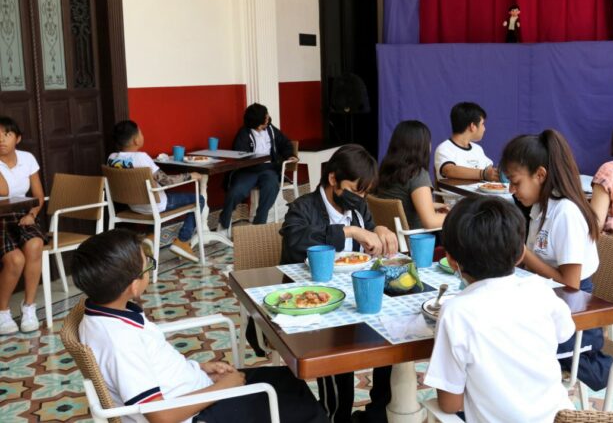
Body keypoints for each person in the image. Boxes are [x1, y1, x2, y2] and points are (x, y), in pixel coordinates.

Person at [71, 229, 327, 423]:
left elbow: (154, 365)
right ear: (134, 286)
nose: (150, 268)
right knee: (301, 407)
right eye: (147, 264)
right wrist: (221, 388)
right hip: (195, 414)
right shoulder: (119, 341)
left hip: (198, 391)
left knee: (287, 379)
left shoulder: (103, 313)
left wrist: (200, 369)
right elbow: (160, 416)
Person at [424, 195, 575, 422]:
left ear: (452, 261)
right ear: (521, 254)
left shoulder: (456, 312)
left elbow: (449, 404)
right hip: (562, 418)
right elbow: (565, 332)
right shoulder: (539, 289)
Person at [279, 144, 398, 423]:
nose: (361, 198)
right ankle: (337, 416)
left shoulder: (358, 208)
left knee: (392, 336)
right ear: (333, 179)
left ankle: (377, 414)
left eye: (365, 192)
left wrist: (377, 230)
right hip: (316, 303)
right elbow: (296, 241)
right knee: (337, 346)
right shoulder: (303, 208)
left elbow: (368, 233)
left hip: (355, 297)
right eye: (356, 191)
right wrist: (348, 230)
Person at [500, 129, 613, 391]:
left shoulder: (566, 213)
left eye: (516, 182)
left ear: (540, 175)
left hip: (574, 312)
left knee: (508, 347)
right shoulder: (540, 207)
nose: (511, 189)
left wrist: (524, 254)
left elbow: (571, 285)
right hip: (548, 302)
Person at [108, 120, 203, 262]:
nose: (142, 135)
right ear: (135, 140)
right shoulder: (141, 157)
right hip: (155, 205)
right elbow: (166, 181)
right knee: (199, 199)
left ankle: (151, 238)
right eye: (140, 132)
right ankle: (182, 241)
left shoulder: (111, 158)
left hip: (133, 206)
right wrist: (190, 175)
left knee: (160, 197)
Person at [218, 103, 296, 231]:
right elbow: (239, 154)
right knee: (236, 190)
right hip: (249, 170)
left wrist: (290, 155)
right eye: (265, 117)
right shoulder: (244, 133)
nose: (268, 118)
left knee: (271, 187)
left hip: (269, 169)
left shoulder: (271, 129)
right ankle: (224, 223)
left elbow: (285, 143)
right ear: (257, 123)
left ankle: (258, 226)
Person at [0, 116, 45, 335]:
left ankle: (29, 307)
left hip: (23, 213)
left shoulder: (27, 158)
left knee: (35, 244)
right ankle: (3, 312)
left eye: (7, 134)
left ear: (17, 138)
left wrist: (32, 214)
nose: (1, 139)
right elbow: (4, 191)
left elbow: (38, 195)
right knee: (15, 260)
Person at [377, 121, 448, 230]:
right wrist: (458, 215)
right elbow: (430, 222)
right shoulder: (417, 174)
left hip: (390, 238)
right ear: (422, 146)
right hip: (415, 241)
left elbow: (401, 203)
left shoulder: (386, 169)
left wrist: (431, 205)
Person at [434, 102, 499, 182]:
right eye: (482, 124)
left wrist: (496, 173)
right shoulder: (444, 148)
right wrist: (482, 174)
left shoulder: (477, 149)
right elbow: (448, 170)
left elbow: (489, 169)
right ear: (472, 126)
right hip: (457, 195)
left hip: (481, 194)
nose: (484, 129)